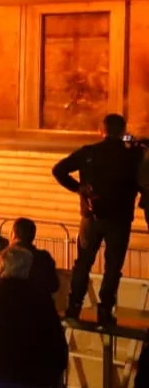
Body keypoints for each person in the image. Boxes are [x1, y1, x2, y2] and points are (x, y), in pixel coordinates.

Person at [52, 113, 143, 325]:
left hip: (91, 217)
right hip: (119, 219)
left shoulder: (89, 152)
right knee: (113, 266)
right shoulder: (131, 155)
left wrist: (78, 188)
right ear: (122, 131)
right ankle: (104, 311)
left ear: (101, 130)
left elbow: (58, 170)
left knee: (83, 262)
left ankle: (74, 306)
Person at [0, 247, 68, 388]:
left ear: (1, 267)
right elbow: (55, 340)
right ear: (28, 269)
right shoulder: (41, 300)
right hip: (35, 381)